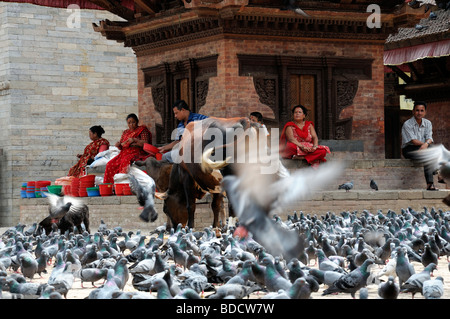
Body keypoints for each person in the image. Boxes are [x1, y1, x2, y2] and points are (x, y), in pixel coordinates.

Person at [103, 113, 152, 183]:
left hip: (136, 152)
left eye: (133, 122)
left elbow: (146, 143)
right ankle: (110, 186)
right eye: (129, 123)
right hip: (123, 153)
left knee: (125, 161)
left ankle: (122, 185)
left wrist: (135, 140)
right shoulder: (125, 132)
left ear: (137, 121)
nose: (131, 125)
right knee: (110, 164)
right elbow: (122, 145)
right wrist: (118, 145)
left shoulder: (142, 130)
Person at [401, 101, 437, 190]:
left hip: (424, 149)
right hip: (409, 149)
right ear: (413, 111)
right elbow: (414, 141)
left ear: (425, 112)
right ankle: (437, 172)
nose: (419, 113)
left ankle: (430, 184)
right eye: (417, 110)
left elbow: (429, 138)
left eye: (422, 111)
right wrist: (426, 144)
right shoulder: (407, 124)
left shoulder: (428, 123)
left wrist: (426, 144)